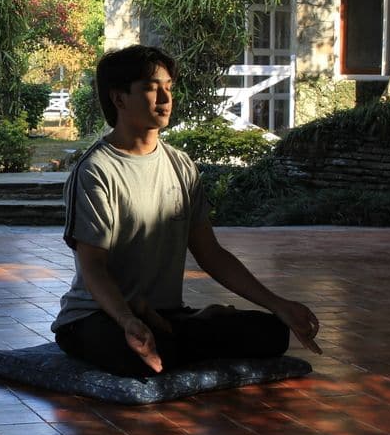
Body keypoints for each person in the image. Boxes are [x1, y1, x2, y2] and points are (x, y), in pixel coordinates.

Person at [51, 45, 321, 377]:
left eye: (169, 88)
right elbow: (93, 267)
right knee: (141, 356)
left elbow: (211, 253)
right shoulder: (96, 171)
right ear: (119, 99)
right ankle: (180, 326)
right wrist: (127, 319)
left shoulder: (180, 165)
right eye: (151, 89)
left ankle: (178, 325)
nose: (165, 98)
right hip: (96, 317)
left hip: (166, 313)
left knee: (273, 333)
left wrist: (278, 304)